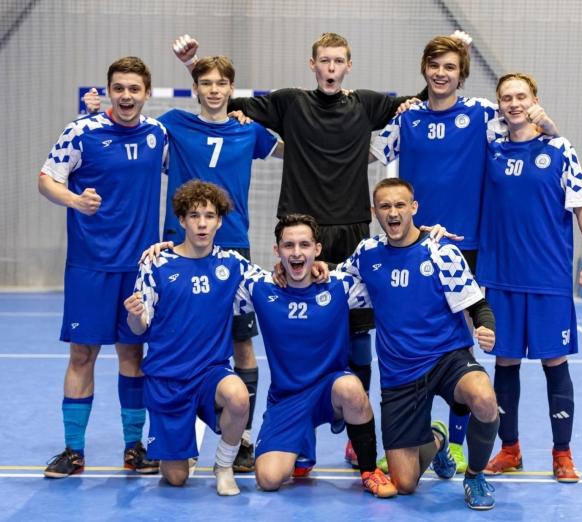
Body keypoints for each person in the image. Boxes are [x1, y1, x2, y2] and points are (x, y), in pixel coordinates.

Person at [172, 32, 427, 467]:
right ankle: (297, 431)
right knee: (294, 332)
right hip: (299, 229)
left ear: (349, 65)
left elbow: (422, 99)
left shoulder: (366, 104)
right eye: (324, 60)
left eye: (338, 61)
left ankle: (354, 429)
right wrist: (193, 66)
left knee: (358, 332)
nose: (331, 68)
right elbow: (220, 98)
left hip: (350, 226)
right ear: (313, 65)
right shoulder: (290, 103)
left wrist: (455, 56)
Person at [84, 53, 283, 472]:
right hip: (178, 247)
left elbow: (293, 150)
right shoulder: (172, 123)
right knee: (172, 336)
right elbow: (130, 129)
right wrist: (96, 114)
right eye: (205, 83)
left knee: (242, 344)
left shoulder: (249, 130)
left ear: (232, 90)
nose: (213, 90)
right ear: (194, 88)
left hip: (234, 247)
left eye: (221, 83)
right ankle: (172, 425)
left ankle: (242, 438)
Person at [370, 32, 558, 474]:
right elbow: (372, 156)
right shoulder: (407, 117)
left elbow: (527, 134)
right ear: (424, 69)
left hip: (463, 248)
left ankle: (454, 444)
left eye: (450, 67)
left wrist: (547, 124)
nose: (441, 73)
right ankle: (411, 434)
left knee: (458, 347)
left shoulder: (481, 114)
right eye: (434, 66)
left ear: (462, 73)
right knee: (408, 342)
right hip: (410, 248)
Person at [38, 57, 166, 478]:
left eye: (134, 89)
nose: (126, 96)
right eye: (119, 88)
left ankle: (134, 448)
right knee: (82, 354)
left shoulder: (159, 134)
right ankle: (73, 451)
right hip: (89, 266)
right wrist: (75, 200)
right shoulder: (81, 132)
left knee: (134, 354)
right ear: (109, 91)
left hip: (139, 267)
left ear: (147, 93)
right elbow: (46, 179)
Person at [337, 178, 500, 510]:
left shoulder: (441, 251)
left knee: (484, 397)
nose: (393, 212)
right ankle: (437, 438)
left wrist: (486, 327)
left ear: (414, 208)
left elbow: (477, 304)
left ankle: (474, 476)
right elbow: (335, 280)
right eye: (385, 206)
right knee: (404, 484)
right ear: (374, 212)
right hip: (400, 373)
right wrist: (310, 268)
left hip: (447, 358)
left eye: (400, 205)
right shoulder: (367, 253)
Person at [478, 73, 582, 483]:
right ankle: (510, 449)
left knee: (555, 361)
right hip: (502, 277)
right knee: (505, 362)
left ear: (535, 99)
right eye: (506, 98)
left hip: (548, 276)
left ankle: (562, 454)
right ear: (498, 104)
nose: (514, 103)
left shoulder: (560, 149)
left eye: (521, 96)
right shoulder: (491, 149)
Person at [234, 214, 397, 497]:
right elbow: (216, 264)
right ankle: (302, 445)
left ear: (317, 249)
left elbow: (387, 259)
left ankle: (369, 471)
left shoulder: (340, 285)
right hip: (287, 399)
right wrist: (167, 252)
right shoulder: (260, 288)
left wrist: (420, 235)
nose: (296, 252)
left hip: (329, 391)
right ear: (277, 250)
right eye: (289, 245)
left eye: (304, 245)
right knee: (268, 479)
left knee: (352, 387)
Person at [124, 180, 253, 495]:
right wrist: (134, 315)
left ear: (219, 221)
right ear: (182, 220)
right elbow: (138, 328)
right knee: (176, 477)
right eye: (194, 216)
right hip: (168, 379)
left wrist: (315, 267)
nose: (202, 223)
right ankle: (181, 439)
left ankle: (223, 466)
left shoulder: (233, 264)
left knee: (238, 397)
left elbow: (274, 285)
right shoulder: (156, 263)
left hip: (210, 373)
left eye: (209, 216)